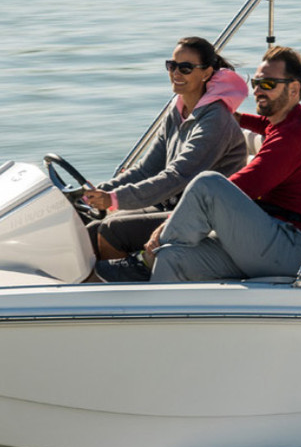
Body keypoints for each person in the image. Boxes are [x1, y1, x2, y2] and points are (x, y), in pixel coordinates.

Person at [142, 46, 301, 282]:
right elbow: (266, 125)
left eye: (267, 84)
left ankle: (148, 254)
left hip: (289, 250)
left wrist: (166, 226)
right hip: (264, 240)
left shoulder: (293, 137)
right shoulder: (289, 122)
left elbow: (242, 186)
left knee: (208, 185)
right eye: (256, 82)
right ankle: (153, 297)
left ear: (294, 89)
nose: (257, 90)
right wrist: (238, 118)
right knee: (171, 257)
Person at [84, 36, 248, 281]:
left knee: (113, 231)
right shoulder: (177, 109)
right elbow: (146, 169)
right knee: (92, 228)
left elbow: (177, 176)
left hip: (203, 216)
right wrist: (97, 192)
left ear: (206, 73)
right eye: (172, 66)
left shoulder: (215, 120)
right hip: (172, 205)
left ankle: (125, 293)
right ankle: (90, 289)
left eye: (186, 68)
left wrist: (114, 199)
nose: (176, 73)